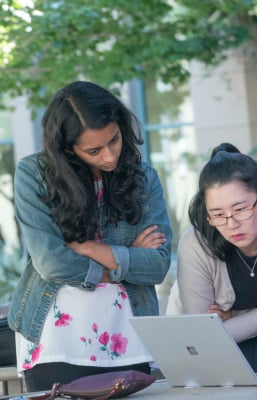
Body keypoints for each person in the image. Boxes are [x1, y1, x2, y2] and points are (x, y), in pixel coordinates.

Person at [7, 81, 172, 391]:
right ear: (68, 148)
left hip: (129, 333)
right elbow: (52, 263)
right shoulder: (34, 175)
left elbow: (157, 265)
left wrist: (87, 248)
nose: (110, 156)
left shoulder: (143, 176)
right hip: (55, 338)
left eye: (115, 140)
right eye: (94, 150)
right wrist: (123, 261)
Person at [166, 143, 257, 371]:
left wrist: (235, 320)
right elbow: (205, 336)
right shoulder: (196, 243)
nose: (231, 224)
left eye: (241, 209)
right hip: (222, 360)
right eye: (218, 214)